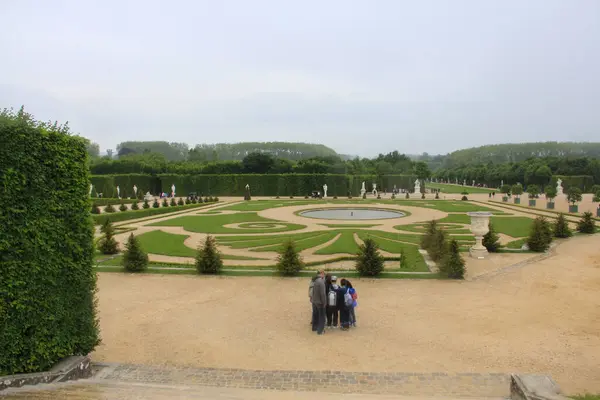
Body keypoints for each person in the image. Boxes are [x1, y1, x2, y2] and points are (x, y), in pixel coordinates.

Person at [311, 270, 327, 335]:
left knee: (315, 315)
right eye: (324, 274)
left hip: (314, 301)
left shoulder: (315, 281)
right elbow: (323, 294)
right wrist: (324, 302)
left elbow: (313, 291)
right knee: (322, 316)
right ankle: (320, 331)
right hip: (319, 302)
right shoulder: (321, 282)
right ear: (322, 274)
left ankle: (314, 328)